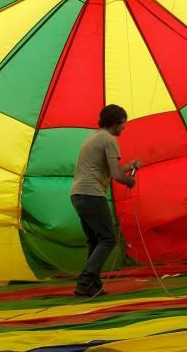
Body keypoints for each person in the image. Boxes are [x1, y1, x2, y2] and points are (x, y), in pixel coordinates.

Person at [70, 104, 140, 297]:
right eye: (123, 123)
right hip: (92, 194)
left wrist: (127, 167)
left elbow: (106, 171)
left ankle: (93, 284)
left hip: (78, 194)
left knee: (94, 241)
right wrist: (130, 181)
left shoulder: (93, 138)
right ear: (115, 123)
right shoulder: (109, 140)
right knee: (108, 238)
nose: (124, 128)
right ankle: (85, 281)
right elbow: (116, 176)